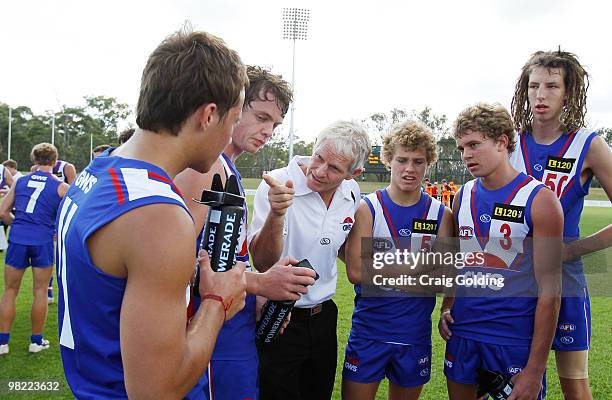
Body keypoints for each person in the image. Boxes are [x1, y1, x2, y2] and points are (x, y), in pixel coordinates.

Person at [55, 28, 249, 399]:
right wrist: (215, 302)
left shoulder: (100, 170)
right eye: (234, 119)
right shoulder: (157, 214)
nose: (230, 136)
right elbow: (155, 391)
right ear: (209, 115)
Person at [174, 65, 317, 400]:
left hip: (231, 330)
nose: (268, 130)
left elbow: (223, 258)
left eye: (275, 124)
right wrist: (260, 283)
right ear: (233, 106)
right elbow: (173, 266)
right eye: (261, 116)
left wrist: (257, 292)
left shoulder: (227, 168)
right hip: (208, 335)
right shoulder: (204, 170)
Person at [439, 103, 563, 400]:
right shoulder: (461, 196)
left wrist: (534, 370)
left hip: (513, 338)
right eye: (461, 147)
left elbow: (551, 292)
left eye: (474, 145)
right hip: (463, 334)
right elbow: (460, 261)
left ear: (502, 142)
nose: (466, 155)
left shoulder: (540, 200)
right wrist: (446, 306)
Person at [510, 50, 612, 400]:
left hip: (565, 279)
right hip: (514, 278)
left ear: (568, 92)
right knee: (510, 380)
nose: (541, 95)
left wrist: (572, 250)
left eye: (552, 86)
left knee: (574, 382)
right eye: (534, 85)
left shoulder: (589, 145)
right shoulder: (506, 143)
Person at [248, 120, 371, 400]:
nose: (319, 171)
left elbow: (336, 244)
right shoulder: (279, 184)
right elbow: (263, 262)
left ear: (354, 174)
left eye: (334, 168)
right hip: (280, 317)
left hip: (324, 316)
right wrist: (277, 214)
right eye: (319, 157)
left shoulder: (350, 194)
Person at [341, 120, 454, 400]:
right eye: (402, 160)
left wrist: (380, 267)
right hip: (369, 332)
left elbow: (445, 279)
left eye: (419, 161)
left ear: (428, 164)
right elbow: (356, 271)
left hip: (414, 335)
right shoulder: (368, 209)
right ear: (389, 159)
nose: (409, 169)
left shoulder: (441, 215)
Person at [0, 143, 69, 355]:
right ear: (55, 160)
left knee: (10, 291)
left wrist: (17, 224)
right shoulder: (61, 186)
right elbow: (67, 218)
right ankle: (36, 341)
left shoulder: (20, 180)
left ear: (34, 159)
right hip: (43, 241)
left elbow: (2, 211)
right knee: (40, 291)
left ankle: (3, 343)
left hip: (19, 239)